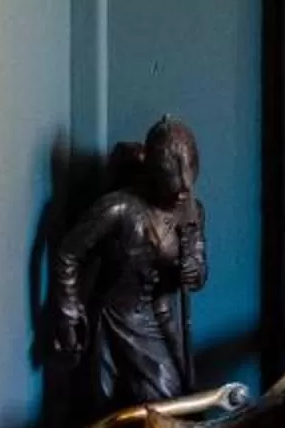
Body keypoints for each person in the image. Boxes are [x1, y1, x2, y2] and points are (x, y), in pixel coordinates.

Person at [49, 117, 208, 410]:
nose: (183, 190)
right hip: (120, 320)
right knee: (163, 397)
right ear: (154, 173)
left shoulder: (191, 212)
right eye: (173, 181)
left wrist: (193, 271)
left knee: (185, 398)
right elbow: (69, 253)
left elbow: (199, 266)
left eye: (189, 179)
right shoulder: (119, 209)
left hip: (165, 319)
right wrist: (68, 311)